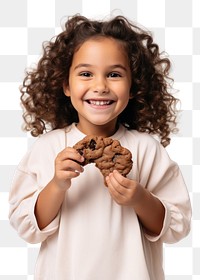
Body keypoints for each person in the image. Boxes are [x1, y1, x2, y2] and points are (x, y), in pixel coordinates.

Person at [9, 14, 191, 280]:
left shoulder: (146, 150)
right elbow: (26, 226)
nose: (100, 86)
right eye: (86, 73)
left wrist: (140, 199)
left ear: (132, 88)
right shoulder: (49, 148)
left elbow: (177, 226)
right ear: (66, 85)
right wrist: (57, 185)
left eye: (114, 74)